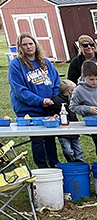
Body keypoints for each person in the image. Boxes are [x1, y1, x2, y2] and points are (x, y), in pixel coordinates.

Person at [8, 32, 60, 170]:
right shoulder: (16, 65)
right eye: (24, 45)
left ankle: (54, 166)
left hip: (48, 108)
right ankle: (42, 168)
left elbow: (56, 82)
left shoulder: (45, 62)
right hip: (29, 110)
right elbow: (20, 91)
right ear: (20, 47)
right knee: (38, 140)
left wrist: (53, 99)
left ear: (35, 45)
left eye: (31, 43)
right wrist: (40, 101)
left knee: (50, 138)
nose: (29, 47)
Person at [51, 79, 83, 163]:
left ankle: (80, 164)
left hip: (74, 130)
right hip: (63, 132)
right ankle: (72, 162)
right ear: (70, 91)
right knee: (68, 151)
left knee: (78, 150)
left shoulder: (73, 101)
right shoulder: (57, 101)